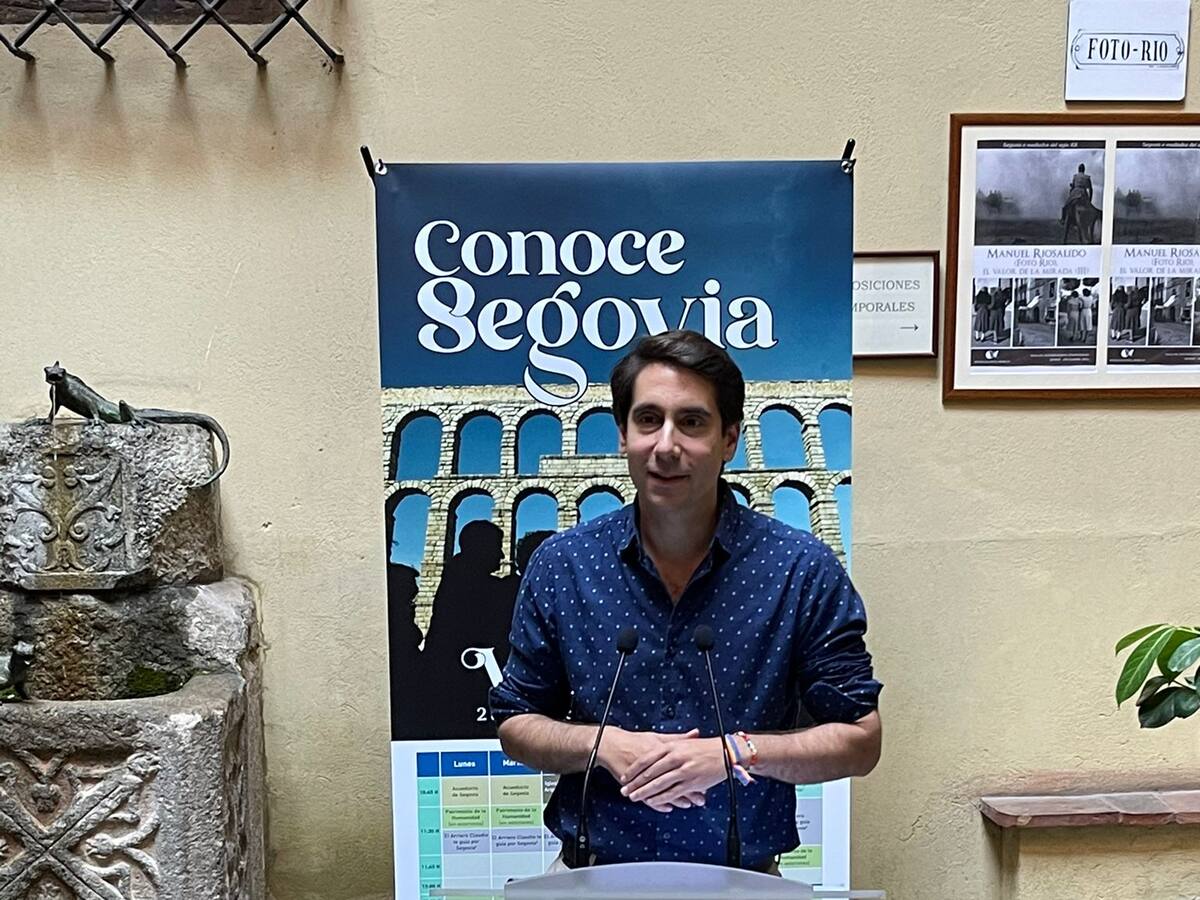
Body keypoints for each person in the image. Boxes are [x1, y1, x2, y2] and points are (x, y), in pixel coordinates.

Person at [489, 330, 882, 874]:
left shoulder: (800, 569)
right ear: (623, 435)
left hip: (744, 881)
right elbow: (516, 722)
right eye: (648, 420)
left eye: (692, 422)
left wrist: (734, 753)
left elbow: (861, 740)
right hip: (589, 874)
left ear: (729, 439)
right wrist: (604, 746)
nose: (666, 445)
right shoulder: (563, 565)